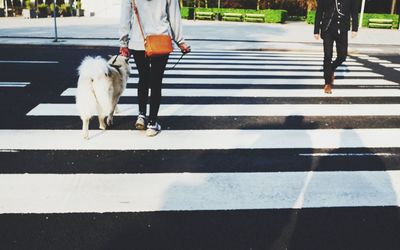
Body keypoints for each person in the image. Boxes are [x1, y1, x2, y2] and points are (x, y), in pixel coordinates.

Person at [119, 0, 191, 136]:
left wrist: (123, 42)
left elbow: (125, 16)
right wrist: (180, 41)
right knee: (156, 81)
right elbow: (174, 16)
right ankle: (152, 123)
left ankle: (141, 115)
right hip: (161, 40)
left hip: (139, 41)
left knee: (143, 78)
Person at [314, 0, 359, 94]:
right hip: (327, 29)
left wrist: (355, 28)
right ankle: (328, 83)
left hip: (342, 30)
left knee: (342, 56)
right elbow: (319, 12)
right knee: (327, 56)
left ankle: (331, 68)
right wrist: (316, 30)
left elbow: (354, 12)